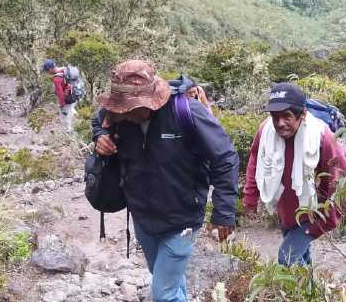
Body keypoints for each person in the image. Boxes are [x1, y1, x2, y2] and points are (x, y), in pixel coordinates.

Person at [92, 60, 238, 302]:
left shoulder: (186, 111)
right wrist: (101, 136)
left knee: (163, 294)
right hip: (142, 216)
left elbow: (225, 157)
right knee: (165, 278)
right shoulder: (118, 114)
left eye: (130, 108)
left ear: (151, 100)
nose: (123, 113)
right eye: (121, 108)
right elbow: (99, 122)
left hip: (182, 219)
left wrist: (224, 212)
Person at [242, 82, 346, 266]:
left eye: (287, 116)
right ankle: (311, 293)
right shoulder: (265, 131)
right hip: (285, 210)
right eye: (275, 117)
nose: (279, 123)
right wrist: (250, 197)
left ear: (303, 115)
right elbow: (255, 160)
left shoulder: (323, 138)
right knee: (301, 260)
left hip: (312, 213)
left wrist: (322, 224)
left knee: (287, 258)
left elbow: (339, 182)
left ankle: (301, 293)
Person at [42, 59, 77, 132]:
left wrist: (62, 106)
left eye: (47, 70)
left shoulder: (57, 79)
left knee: (65, 116)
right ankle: (77, 123)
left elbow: (60, 94)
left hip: (68, 98)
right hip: (74, 94)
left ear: (50, 69)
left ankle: (69, 131)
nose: (47, 72)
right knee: (71, 111)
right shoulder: (64, 69)